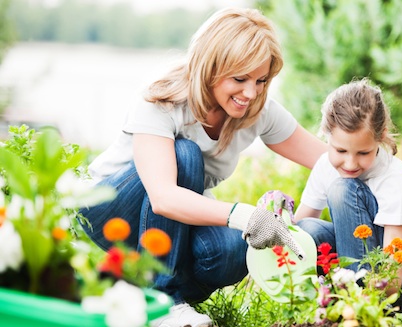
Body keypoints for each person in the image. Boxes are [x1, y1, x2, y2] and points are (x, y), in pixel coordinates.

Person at [78, 7, 327, 327]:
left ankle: (155, 295)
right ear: (211, 67)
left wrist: (385, 167)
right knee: (186, 156)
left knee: (235, 250)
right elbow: (164, 197)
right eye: (239, 79)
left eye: (261, 80)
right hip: (108, 212)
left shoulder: (257, 109)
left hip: (167, 229)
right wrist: (247, 215)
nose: (250, 93)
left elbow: (330, 160)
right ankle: (161, 302)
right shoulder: (162, 98)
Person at [294, 78, 402, 313]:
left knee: (342, 188)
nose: (350, 163)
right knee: (308, 231)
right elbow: (296, 232)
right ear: (326, 136)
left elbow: (393, 281)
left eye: (363, 152)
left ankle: (357, 309)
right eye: (340, 150)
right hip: (368, 263)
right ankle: (341, 300)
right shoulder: (325, 165)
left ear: (381, 137)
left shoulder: (397, 182)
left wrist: (363, 298)